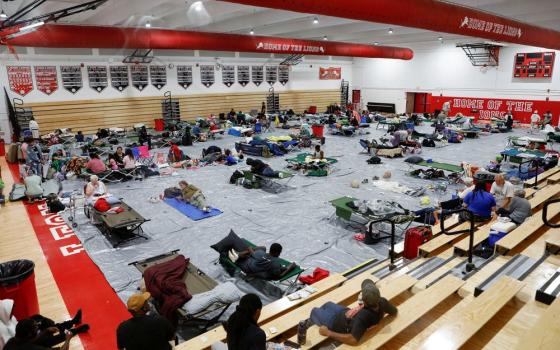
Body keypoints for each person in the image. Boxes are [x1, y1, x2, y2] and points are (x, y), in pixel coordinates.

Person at [308, 279, 397, 346]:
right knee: (327, 304)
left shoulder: (362, 317)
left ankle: (314, 321)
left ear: (364, 302)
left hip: (335, 323)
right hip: (345, 312)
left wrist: (328, 333)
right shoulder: (382, 301)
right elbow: (394, 311)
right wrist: (380, 319)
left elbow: (353, 340)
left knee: (314, 311)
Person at [4, 319, 72, 350]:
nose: (38, 329)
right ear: (29, 334)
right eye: (36, 328)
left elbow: (29, 341)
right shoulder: (32, 348)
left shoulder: (12, 341)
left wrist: (46, 331)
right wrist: (68, 339)